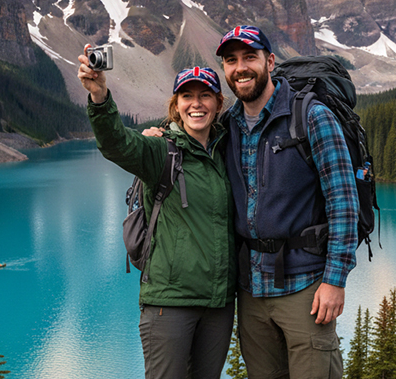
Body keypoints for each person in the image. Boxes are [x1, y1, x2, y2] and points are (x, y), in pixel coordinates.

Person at [77, 57, 236, 379]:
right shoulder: (160, 150)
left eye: (205, 95)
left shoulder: (228, 152)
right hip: (170, 303)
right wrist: (99, 97)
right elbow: (116, 144)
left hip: (218, 305)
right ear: (176, 106)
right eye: (187, 96)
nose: (196, 104)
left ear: (218, 104)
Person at [218, 25, 359, 378]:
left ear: (269, 60)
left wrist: (336, 279)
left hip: (307, 288)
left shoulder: (311, 116)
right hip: (251, 291)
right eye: (231, 60)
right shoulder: (228, 125)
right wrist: (161, 135)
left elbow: (343, 199)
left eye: (249, 57)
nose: (241, 68)